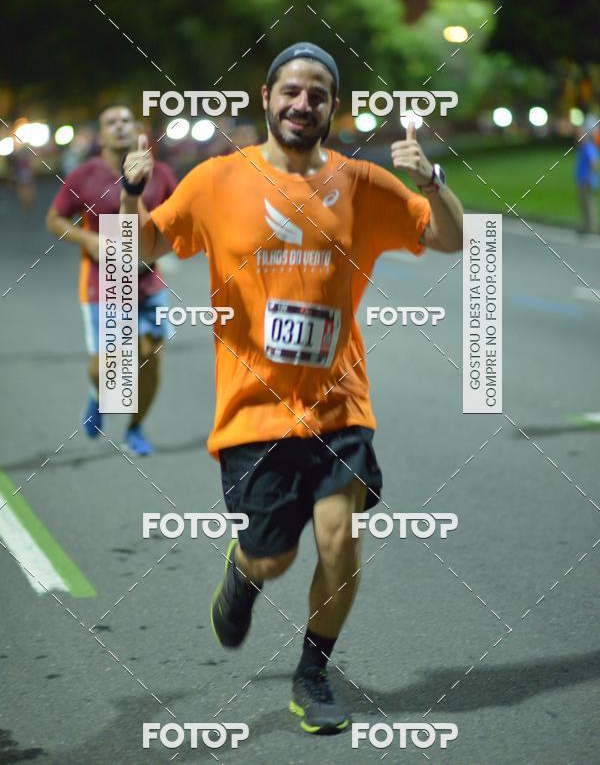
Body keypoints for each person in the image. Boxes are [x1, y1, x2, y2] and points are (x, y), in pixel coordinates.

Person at [119, 43, 464, 733]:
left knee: (340, 541)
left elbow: (454, 240)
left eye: (317, 94)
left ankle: (313, 673)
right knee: (273, 555)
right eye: (291, 92)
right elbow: (141, 248)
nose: (302, 104)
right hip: (253, 412)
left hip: (340, 403)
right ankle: (244, 572)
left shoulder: (362, 183)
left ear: (333, 107)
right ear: (267, 97)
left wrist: (434, 181)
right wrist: (131, 194)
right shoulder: (217, 180)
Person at [46, 104, 177, 455]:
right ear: (101, 134)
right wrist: (89, 239)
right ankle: (100, 393)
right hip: (103, 284)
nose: (120, 126)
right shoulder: (84, 176)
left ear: (136, 128)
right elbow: (55, 219)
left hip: (149, 282)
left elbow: (180, 216)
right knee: (112, 364)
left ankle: (135, 427)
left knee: (150, 357)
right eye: (110, 122)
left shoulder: (159, 173)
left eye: (126, 120)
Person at [575, 115, 599, 235]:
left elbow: (593, 163)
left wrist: (590, 177)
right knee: (584, 203)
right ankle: (587, 225)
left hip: (587, 180)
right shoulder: (584, 148)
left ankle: (591, 227)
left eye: (579, 135)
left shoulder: (588, 147)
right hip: (583, 179)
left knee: (588, 203)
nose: (577, 137)